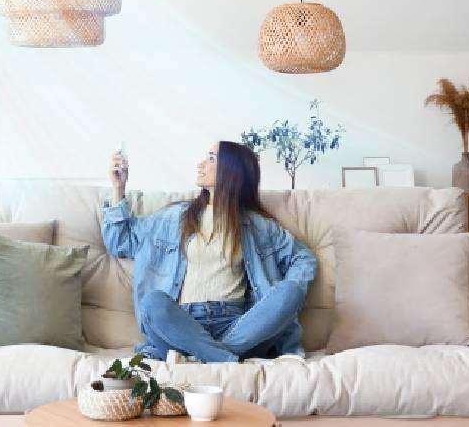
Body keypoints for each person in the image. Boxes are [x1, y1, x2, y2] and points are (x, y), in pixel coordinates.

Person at [101, 141, 317, 363]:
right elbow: (119, 241)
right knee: (152, 303)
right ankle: (226, 360)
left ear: (231, 171)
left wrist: (293, 283)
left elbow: (304, 258)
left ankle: (201, 356)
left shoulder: (258, 227)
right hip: (181, 323)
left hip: (238, 326)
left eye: (211, 158)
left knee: (290, 291)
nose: (201, 163)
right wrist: (118, 188)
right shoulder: (172, 218)